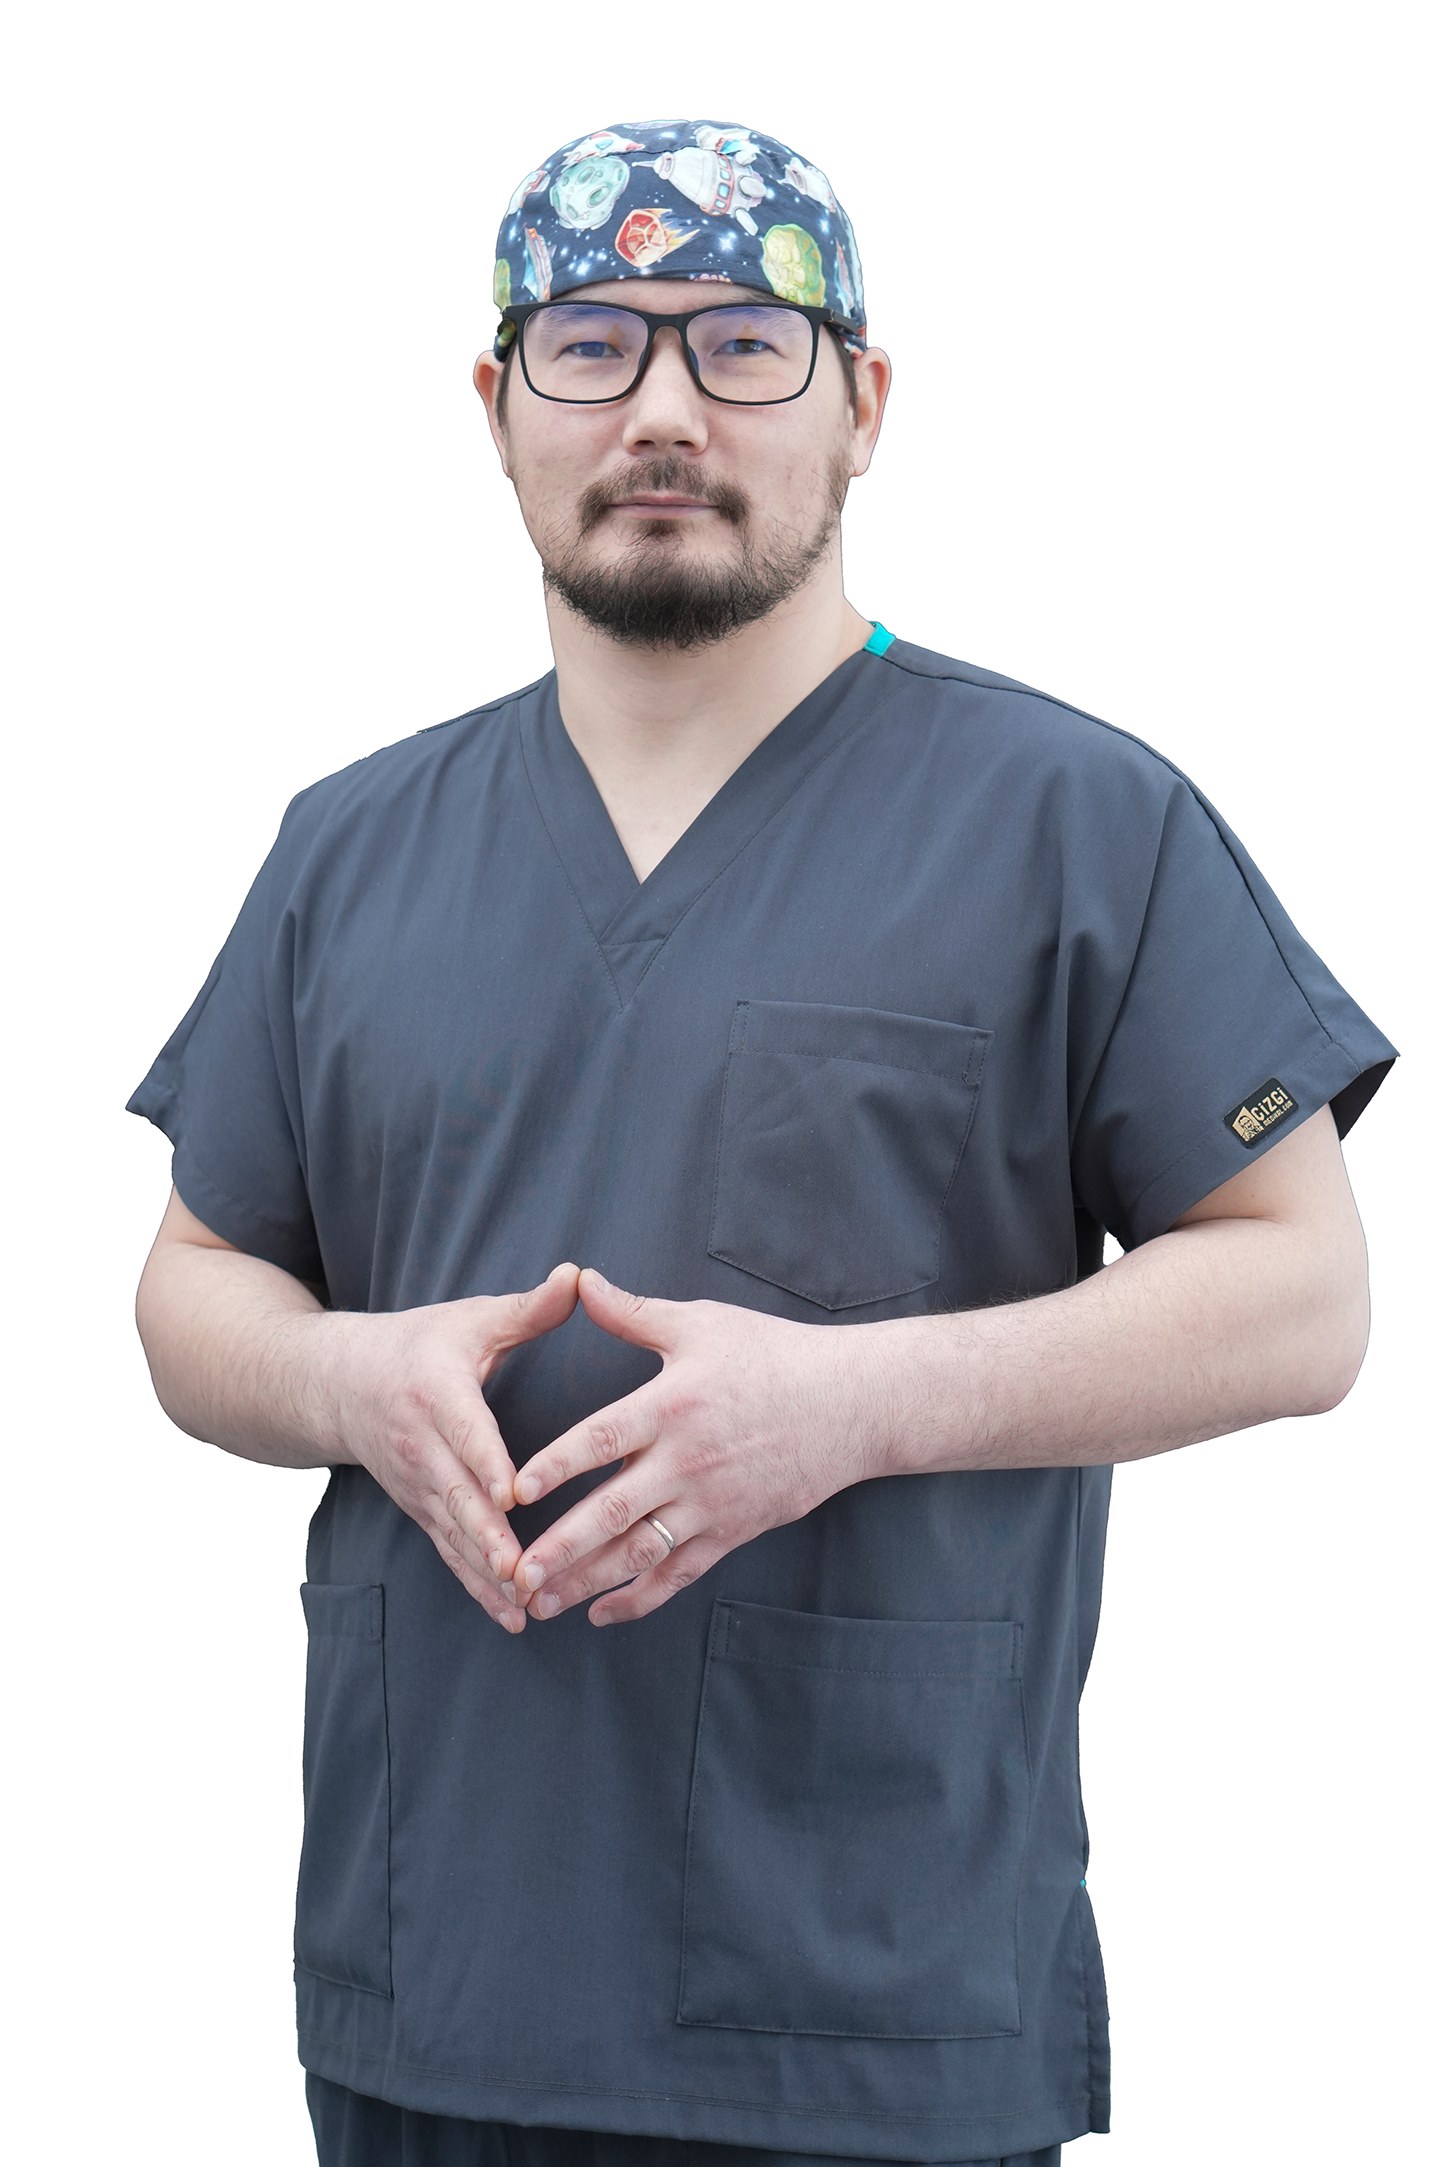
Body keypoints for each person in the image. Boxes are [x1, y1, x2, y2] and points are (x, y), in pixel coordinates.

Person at [129, 118, 1395, 2167]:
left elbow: (1302, 1292)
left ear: (861, 403)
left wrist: (853, 1405)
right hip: (429, 1989)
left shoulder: (1074, 821)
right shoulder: (347, 853)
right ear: (495, 407)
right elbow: (196, 1290)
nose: (660, 409)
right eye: (591, 345)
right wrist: (345, 1376)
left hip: (869, 2004)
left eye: (740, 343)